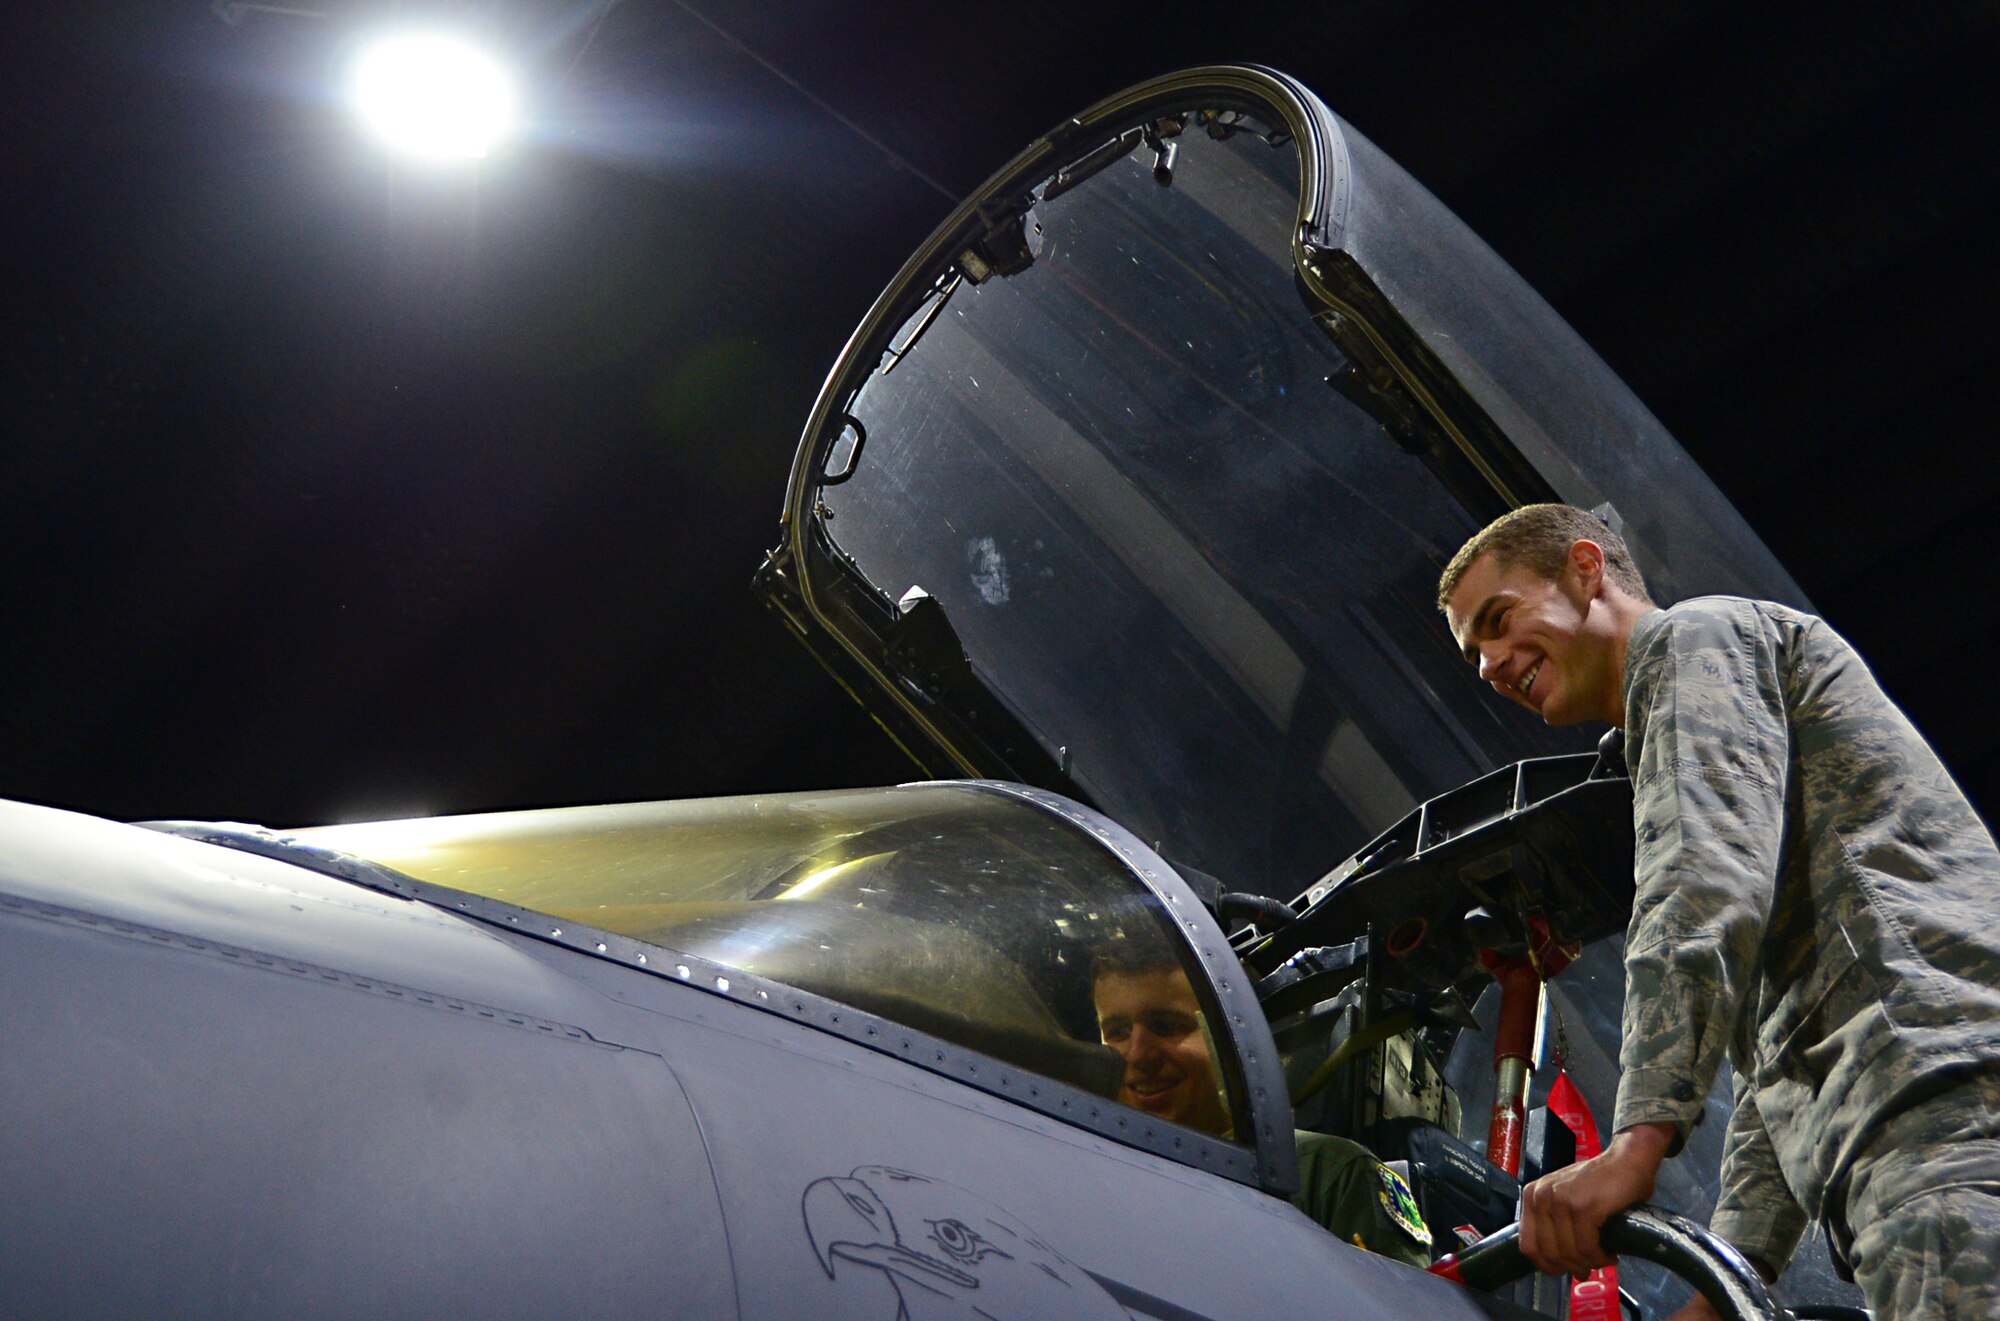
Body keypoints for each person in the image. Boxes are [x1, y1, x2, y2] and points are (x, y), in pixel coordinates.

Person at [1437, 502, 2000, 1319]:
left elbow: (1697, 887)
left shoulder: (1692, 642)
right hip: (1929, 1129)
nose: (1489, 664)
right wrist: (1726, 1279)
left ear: (1586, 570)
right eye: (1473, 653)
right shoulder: (1718, 699)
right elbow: (1788, 1046)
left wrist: (1633, 1151)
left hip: (1939, 1126)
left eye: (1498, 619)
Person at [1092, 948, 1433, 1267]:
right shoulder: (1092, 1175)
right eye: (1118, 1032)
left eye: (1166, 1026)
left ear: (1230, 1037)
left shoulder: (1331, 1175)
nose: (1138, 1054)